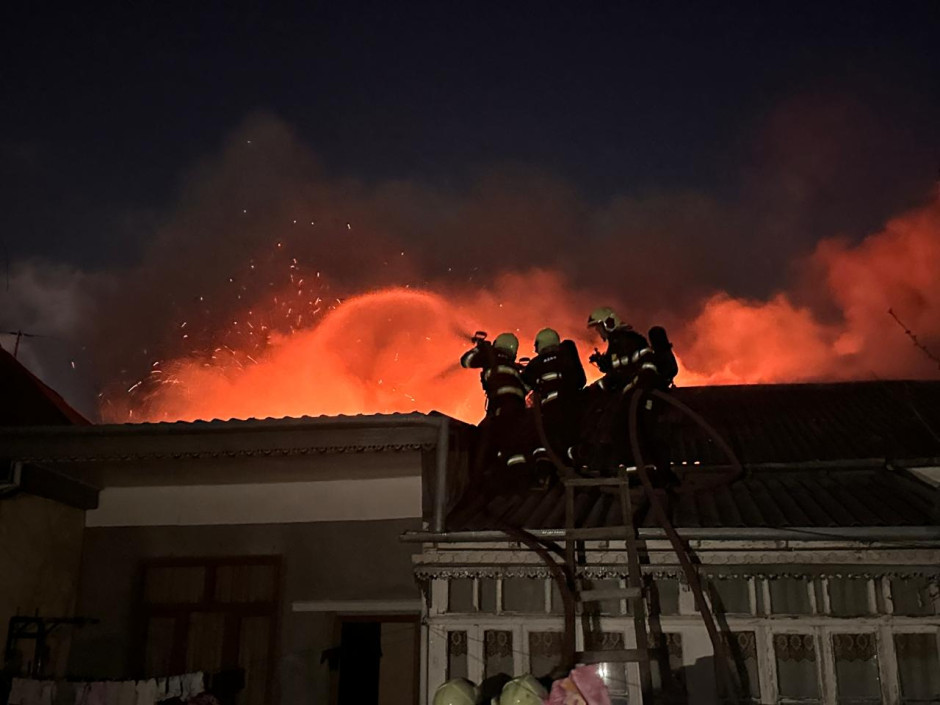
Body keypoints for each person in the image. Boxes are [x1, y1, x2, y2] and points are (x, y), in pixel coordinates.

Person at [460, 332, 530, 475]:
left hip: (500, 412)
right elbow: (526, 388)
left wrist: (480, 348)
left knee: (481, 445)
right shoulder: (514, 368)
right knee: (515, 448)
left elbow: (465, 361)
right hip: (519, 413)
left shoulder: (491, 356)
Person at [522, 328, 586, 469]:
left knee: (544, 444)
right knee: (571, 444)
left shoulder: (535, 364)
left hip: (550, 414)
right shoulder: (567, 357)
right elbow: (581, 381)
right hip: (574, 409)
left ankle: (545, 472)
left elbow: (523, 387)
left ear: (541, 344)